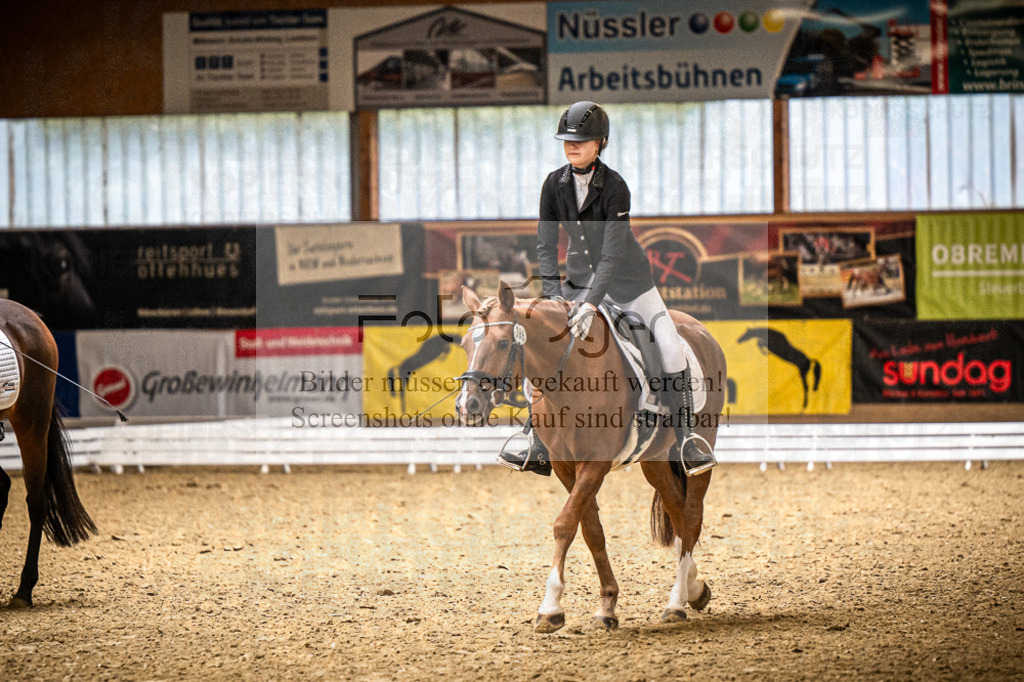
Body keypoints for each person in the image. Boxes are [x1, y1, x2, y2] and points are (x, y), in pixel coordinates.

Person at [498, 100, 716, 477]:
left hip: (629, 283)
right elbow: (545, 246)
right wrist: (554, 297)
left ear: (600, 143)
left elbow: (612, 255)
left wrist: (591, 305)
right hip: (577, 283)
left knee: (668, 345)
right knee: (545, 345)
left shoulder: (614, 186)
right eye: (567, 141)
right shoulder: (553, 184)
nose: (571, 146)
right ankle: (535, 436)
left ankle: (686, 440)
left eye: (580, 141)